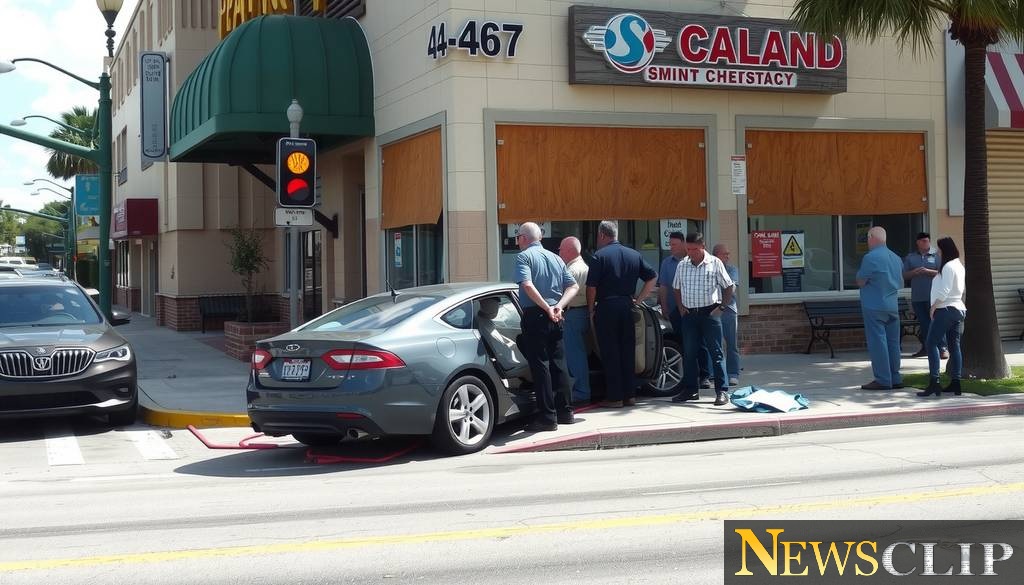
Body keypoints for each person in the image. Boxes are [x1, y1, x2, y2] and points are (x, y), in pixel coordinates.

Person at [514, 222, 578, 432]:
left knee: (540, 366)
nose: (517, 241)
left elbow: (527, 284)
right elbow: (573, 286)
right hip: (556, 315)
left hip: (536, 315)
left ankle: (547, 417)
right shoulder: (556, 258)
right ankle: (566, 412)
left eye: (517, 237)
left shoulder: (524, 257)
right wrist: (558, 306)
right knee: (559, 364)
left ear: (523, 238)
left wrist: (547, 308)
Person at [586, 220, 657, 408]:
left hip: (607, 306)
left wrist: (591, 309)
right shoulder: (634, 254)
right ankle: (630, 395)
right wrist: (639, 300)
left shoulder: (598, 257)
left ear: (602, 235)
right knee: (628, 351)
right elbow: (652, 277)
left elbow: (591, 287)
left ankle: (615, 397)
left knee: (611, 353)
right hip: (627, 305)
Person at [671, 233, 734, 406]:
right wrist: (681, 307)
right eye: (688, 249)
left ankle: (722, 391)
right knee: (689, 353)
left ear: (703, 247)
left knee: (716, 352)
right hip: (689, 315)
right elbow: (676, 287)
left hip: (709, 313)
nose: (691, 253)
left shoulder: (714, 263)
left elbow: (729, 286)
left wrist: (721, 308)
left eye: (694, 249)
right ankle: (691, 390)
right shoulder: (682, 265)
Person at [658, 232, 711, 390]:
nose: (671, 247)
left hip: (696, 309)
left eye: (674, 244)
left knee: (700, 344)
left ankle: (705, 375)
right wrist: (664, 307)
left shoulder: (695, 261)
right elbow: (663, 286)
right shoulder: (667, 263)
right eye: (670, 244)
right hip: (676, 311)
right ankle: (688, 377)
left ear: (683, 244)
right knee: (684, 344)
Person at [856, 226, 905, 390]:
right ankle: (896, 377)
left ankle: (883, 379)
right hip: (892, 305)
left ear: (871, 237)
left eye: (868, 238)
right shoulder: (896, 258)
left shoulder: (870, 258)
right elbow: (900, 282)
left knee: (878, 343)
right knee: (893, 343)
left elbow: (861, 281)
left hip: (874, 305)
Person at [917, 237, 966, 397]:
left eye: (939, 249)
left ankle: (934, 382)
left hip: (946, 309)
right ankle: (955, 383)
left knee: (931, 343)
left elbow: (944, 291)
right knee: (954, 346)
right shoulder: (958, 265)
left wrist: (933, 307)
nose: (937, 252)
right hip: (958, 309)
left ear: (945, 249)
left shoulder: (948, 267)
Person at [558, 236, 592, 403]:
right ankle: (582, 389)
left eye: (561, 249)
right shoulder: (583, 266)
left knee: (574, 355)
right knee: (578, 353)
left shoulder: (572, 270)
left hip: (573, 314)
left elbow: (561, 294)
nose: (559, 252)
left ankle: (581, 391)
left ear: (570, 251)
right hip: (582, 312)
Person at [903, 232, 947, 359]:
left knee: (936, 322)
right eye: (922, 241)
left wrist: (928, 272)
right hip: (918, 297)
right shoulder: (911, 257)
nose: (925, 243)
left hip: (933, 297)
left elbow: (942, 273)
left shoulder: (936, 256)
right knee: (924, 324)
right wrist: (914, 272)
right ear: (918, 242)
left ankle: (942, 348)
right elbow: (904, 275)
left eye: (927, 241)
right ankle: (926, 347)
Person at [712, 243, 741, 386]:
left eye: (728, 254)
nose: (728, 256)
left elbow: (732, 288)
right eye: (725, 254)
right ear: (716, 255)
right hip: (713, 310)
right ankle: (713, 374)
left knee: (731, 344)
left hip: (729, 310)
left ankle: (733, 373)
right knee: (714, 344)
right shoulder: (709, 269)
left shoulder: (732, 269)